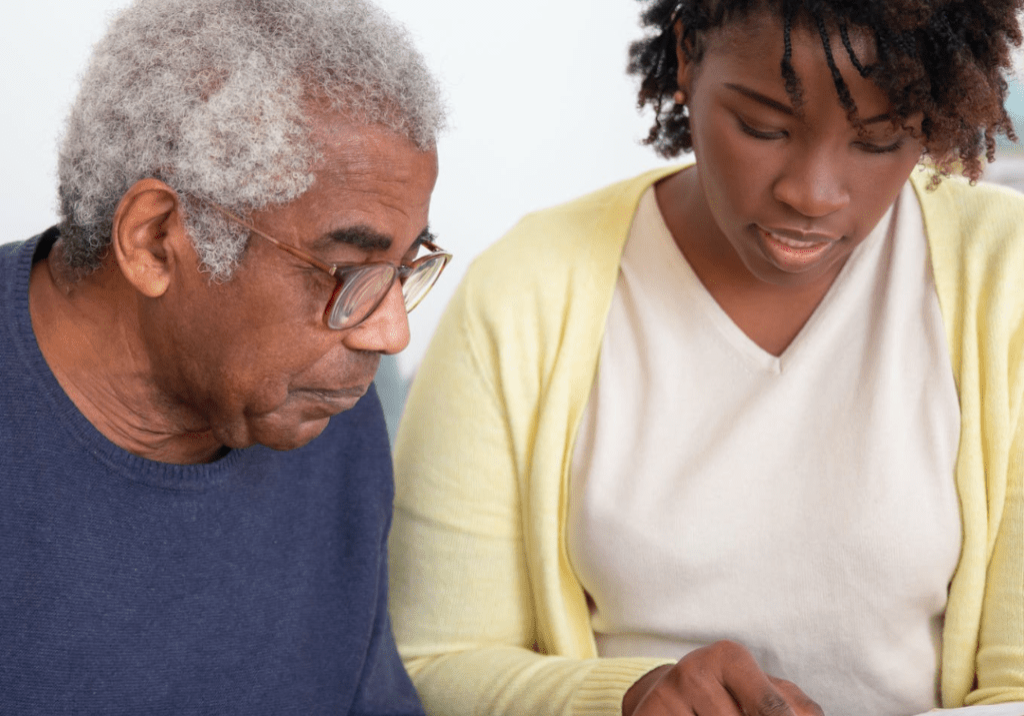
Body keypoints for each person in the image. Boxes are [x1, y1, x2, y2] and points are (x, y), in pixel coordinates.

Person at [387, 1, 1024, 715]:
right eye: (764, 127)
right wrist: (624, 700)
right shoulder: (522, 293)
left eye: (879, 141)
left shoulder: (1007, 281)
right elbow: (432, 663)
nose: (811, 193)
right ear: (688, 56)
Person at [0, 0, 449, 713]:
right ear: (153, 241)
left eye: (403, 267)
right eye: (348, 271)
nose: (389, 333)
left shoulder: (326, 417)